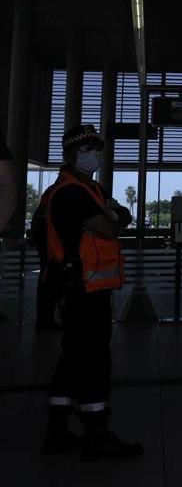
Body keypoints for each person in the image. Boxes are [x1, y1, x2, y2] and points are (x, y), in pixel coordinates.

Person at [39, 123, 140, 459]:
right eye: (87, 150)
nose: (95, 155)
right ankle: (97, 433)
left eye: (97, 149)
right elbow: (109, 229)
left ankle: (57, 430)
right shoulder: (73, 193)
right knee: (95, 360)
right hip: (83, 287)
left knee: (72, 357)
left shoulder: (84, 190)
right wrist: (116, 216)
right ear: (70, 155)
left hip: (79, 286)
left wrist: (113, 213)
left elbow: (111, 217)